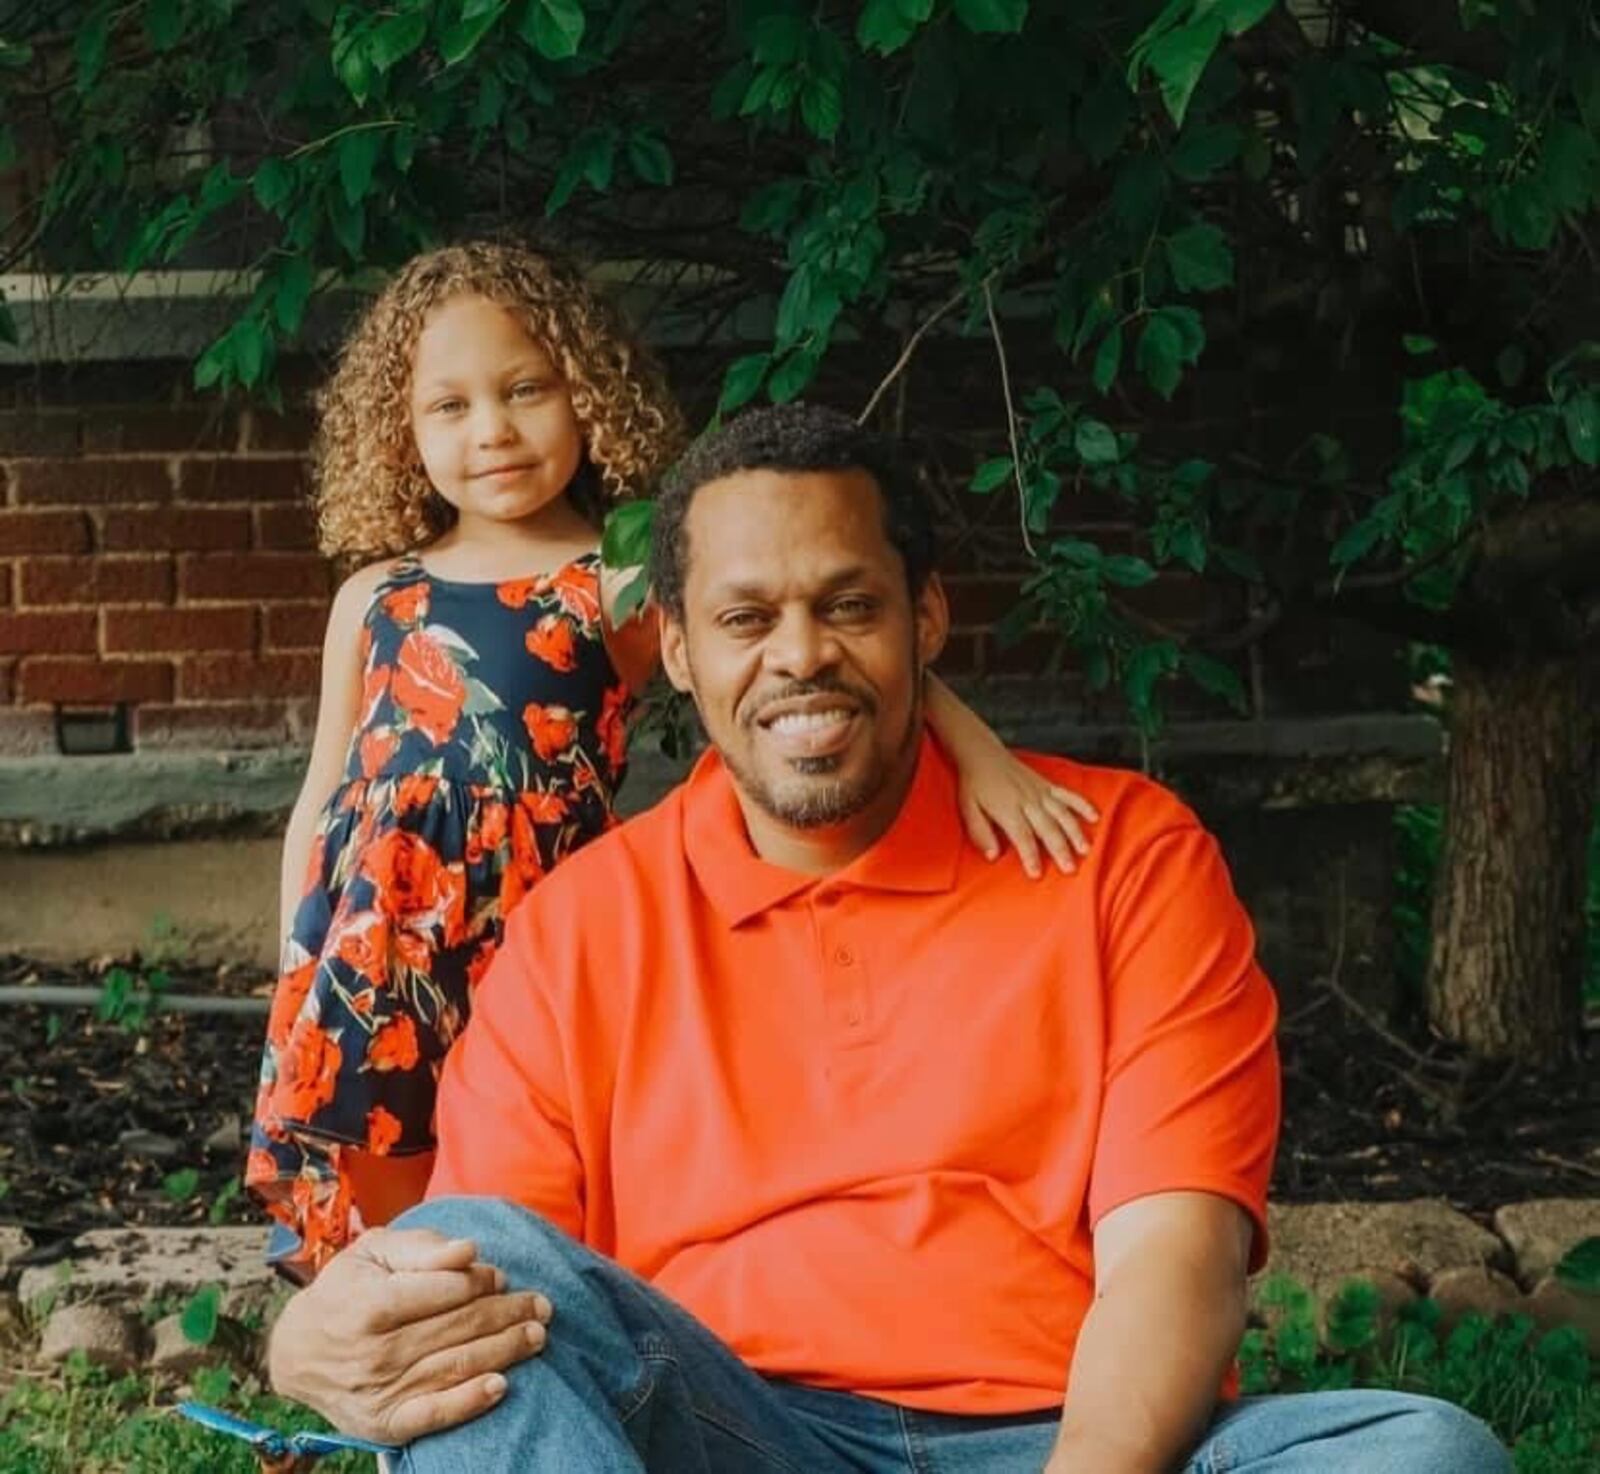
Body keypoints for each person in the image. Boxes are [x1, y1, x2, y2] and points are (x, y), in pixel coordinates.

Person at [263, 403, 1510, 1473]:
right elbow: (490, 1296)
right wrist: (311, 1331)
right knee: (474, 1282)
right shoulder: (583, 927)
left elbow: (1173, 1255)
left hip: (1065, 1436)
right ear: (681, 654)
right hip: (727, 1431)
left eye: (847, 604)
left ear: (926, 619)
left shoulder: (1121, 855)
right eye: (747, 621)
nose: (801, 655)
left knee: (1425, 1453)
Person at [246, 247, 1100, 1281]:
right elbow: (323, 798)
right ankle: (389, 1361)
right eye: (450, 407)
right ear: (399, 430)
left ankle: (503, 1337)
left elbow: (789, 673)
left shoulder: (616, 576)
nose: (493, 431)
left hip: (531, 920)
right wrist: (301, 956)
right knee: (379, 1159)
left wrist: (985, 758)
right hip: (373, 934)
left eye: (526, 390)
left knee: (510, 1164)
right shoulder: (375, 593)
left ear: (587, 394)